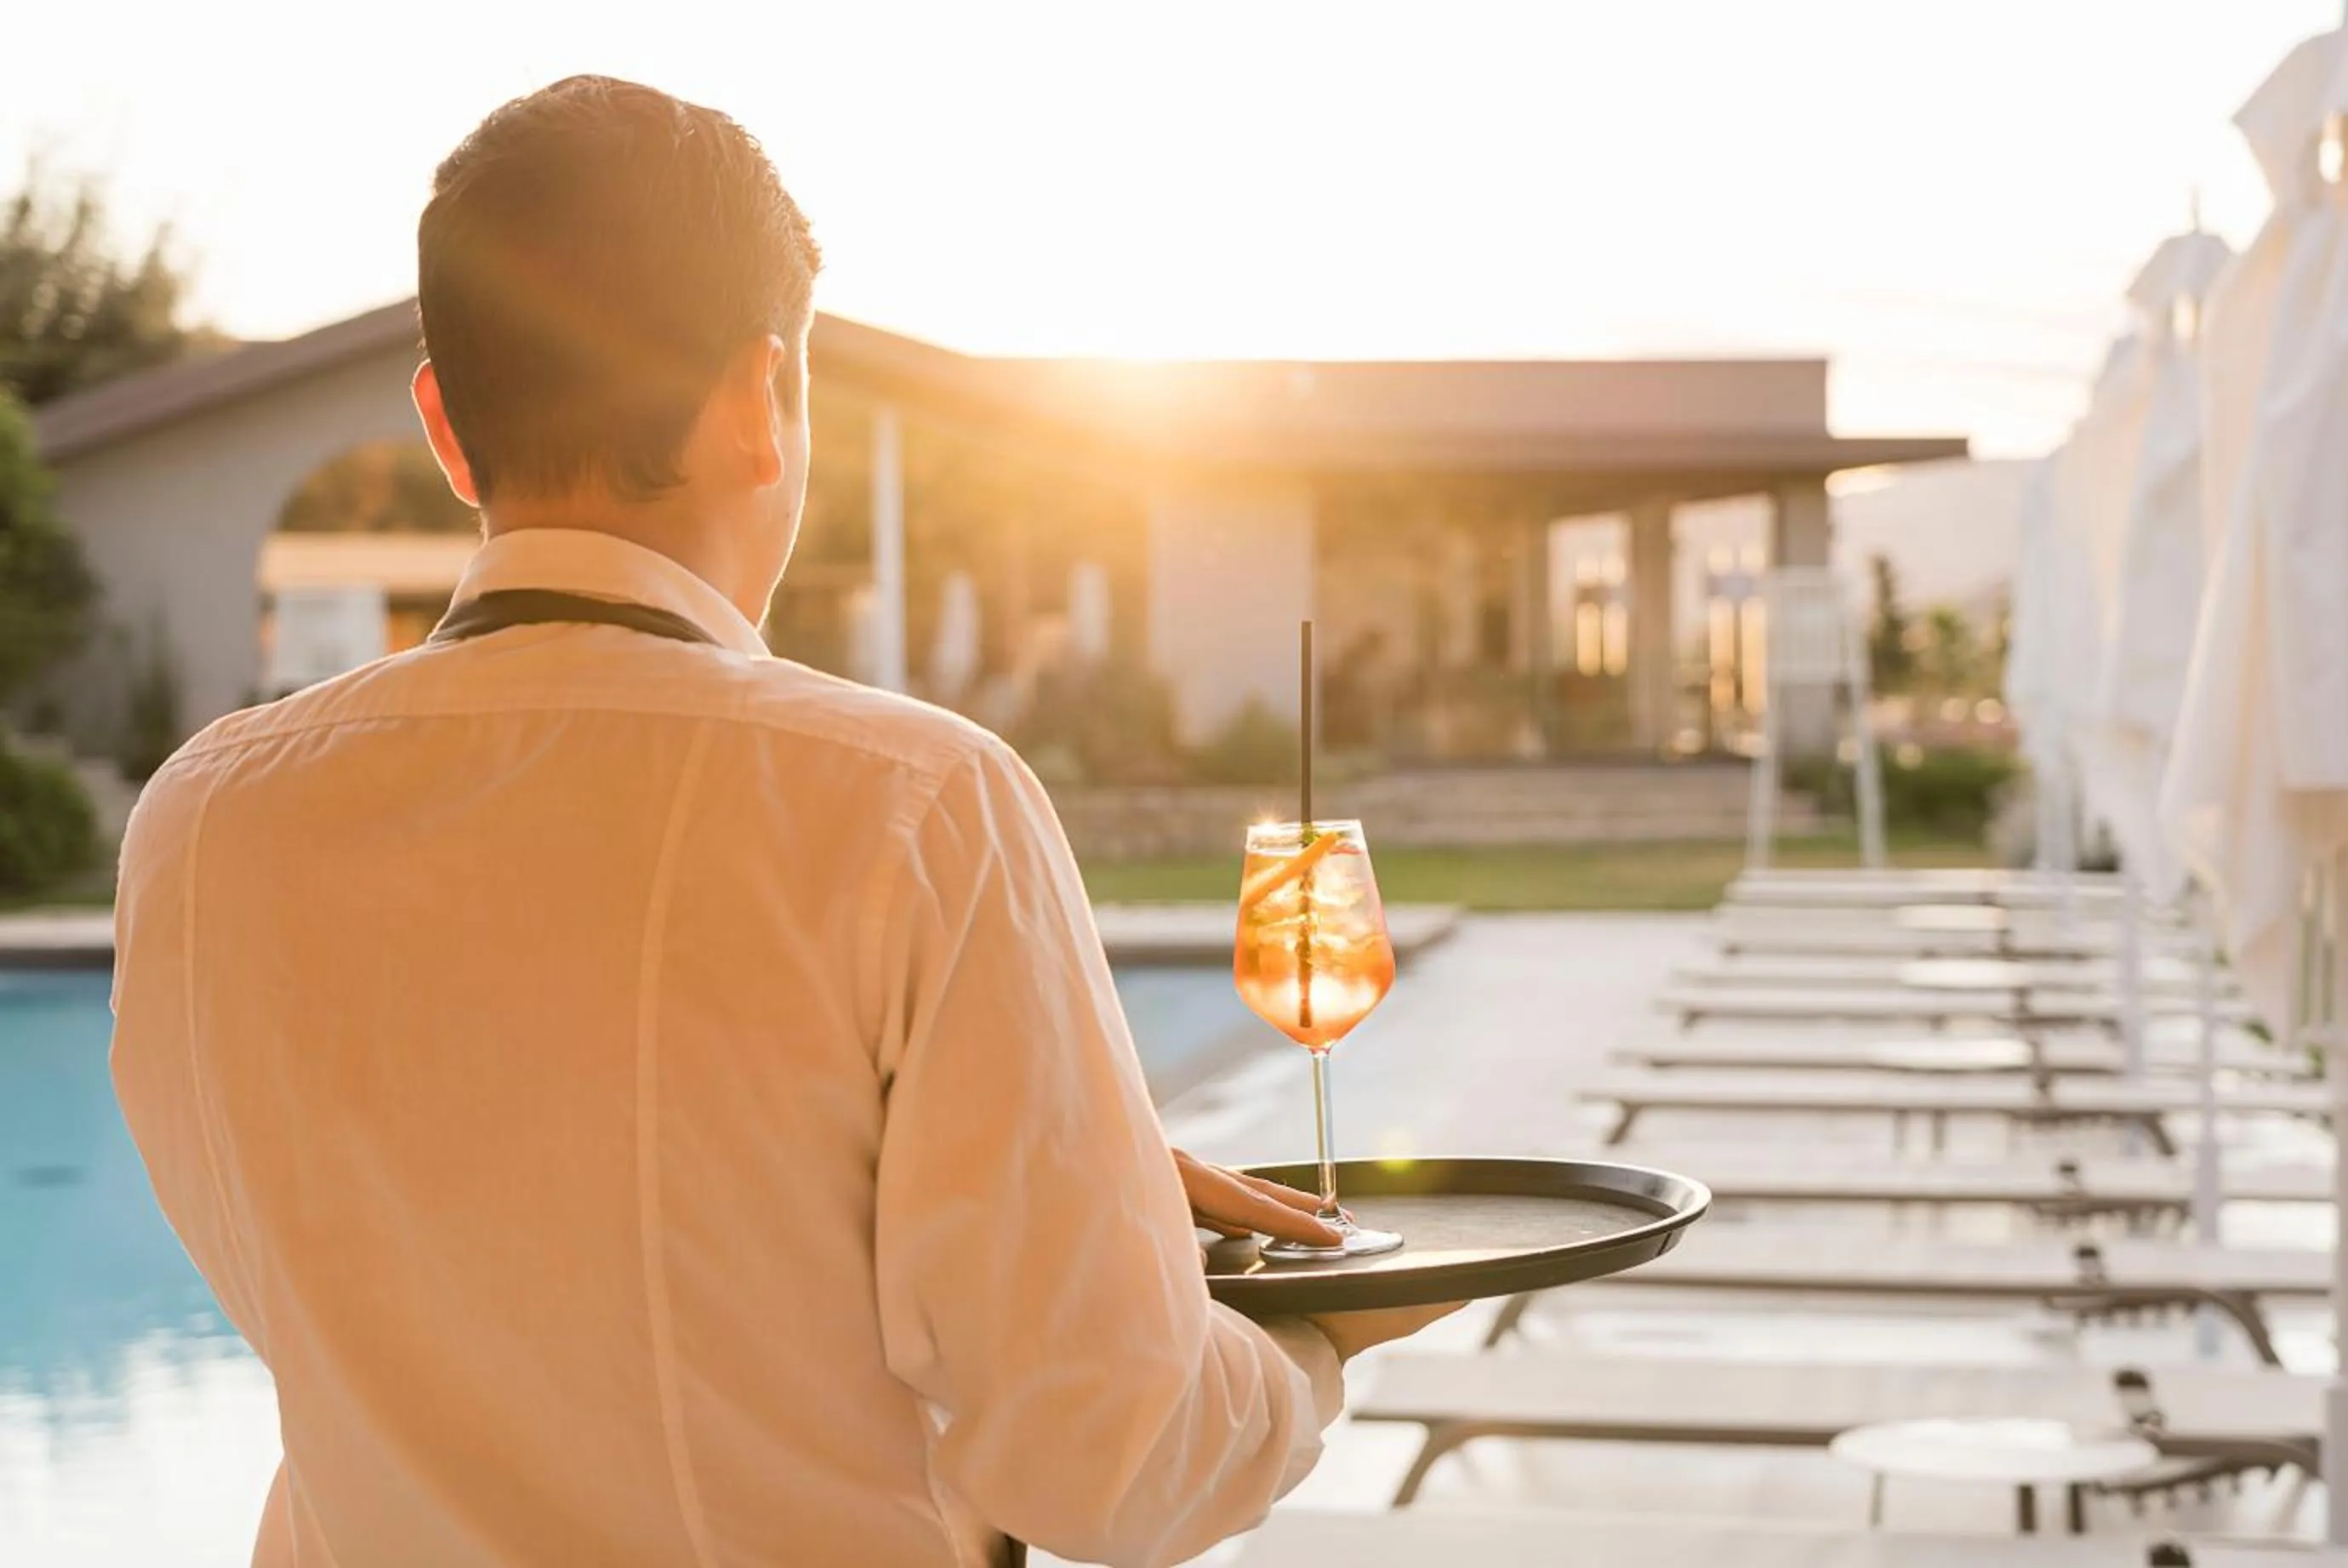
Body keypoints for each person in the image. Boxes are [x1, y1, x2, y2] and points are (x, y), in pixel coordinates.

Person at [110, 76, 1455, 1568]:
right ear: (760, 400)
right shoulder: (915, 804)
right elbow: (1115, 1465)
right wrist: (1317, 1338)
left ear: (444, 423)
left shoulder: (202, 822)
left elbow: (453, 1280)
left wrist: (1090, 1196)